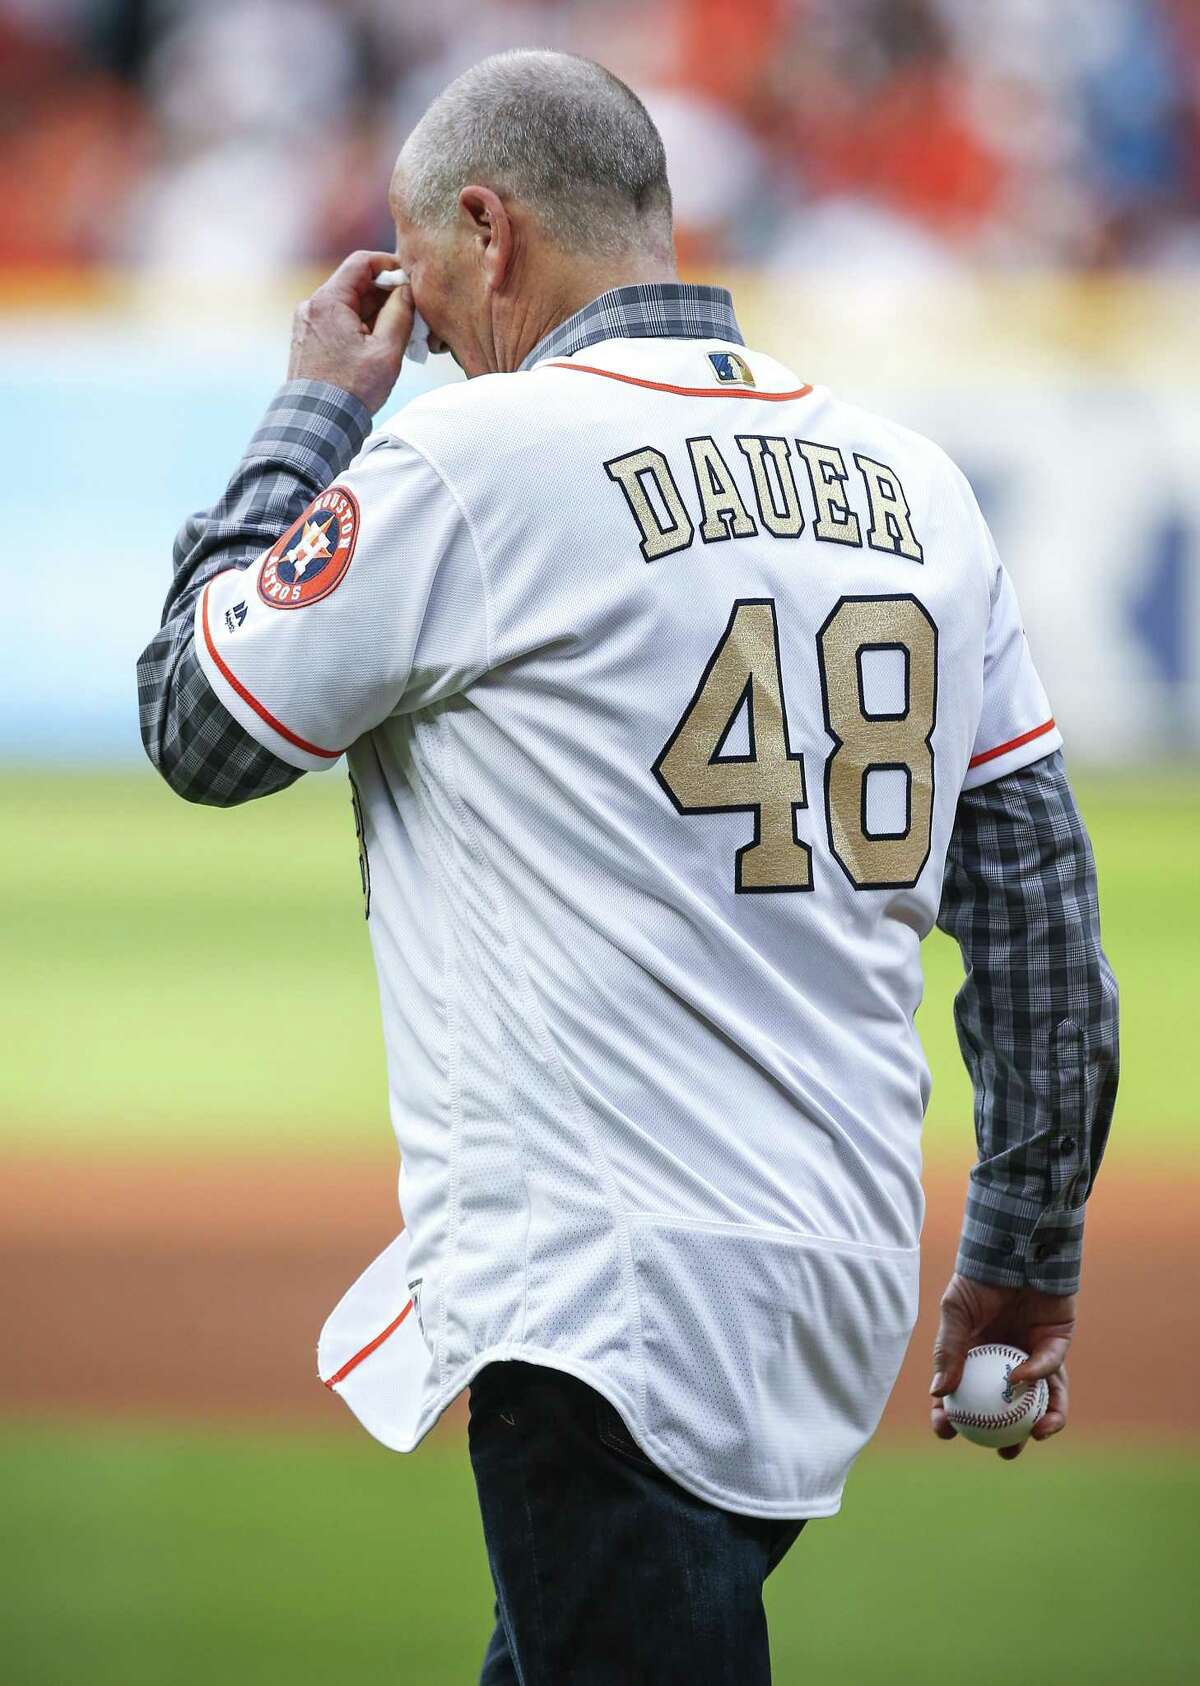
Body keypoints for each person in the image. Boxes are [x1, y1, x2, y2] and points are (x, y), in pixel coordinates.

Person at [137, 49, 1118, 1686]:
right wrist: (1022, 1252)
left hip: (597, 1292)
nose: (421, 330)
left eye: (423, 277)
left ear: (486, 231)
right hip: (831, 1276)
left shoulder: (475, 461)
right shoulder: (917, 485)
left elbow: (198, 720)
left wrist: (317, 406)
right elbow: (1036, 915)